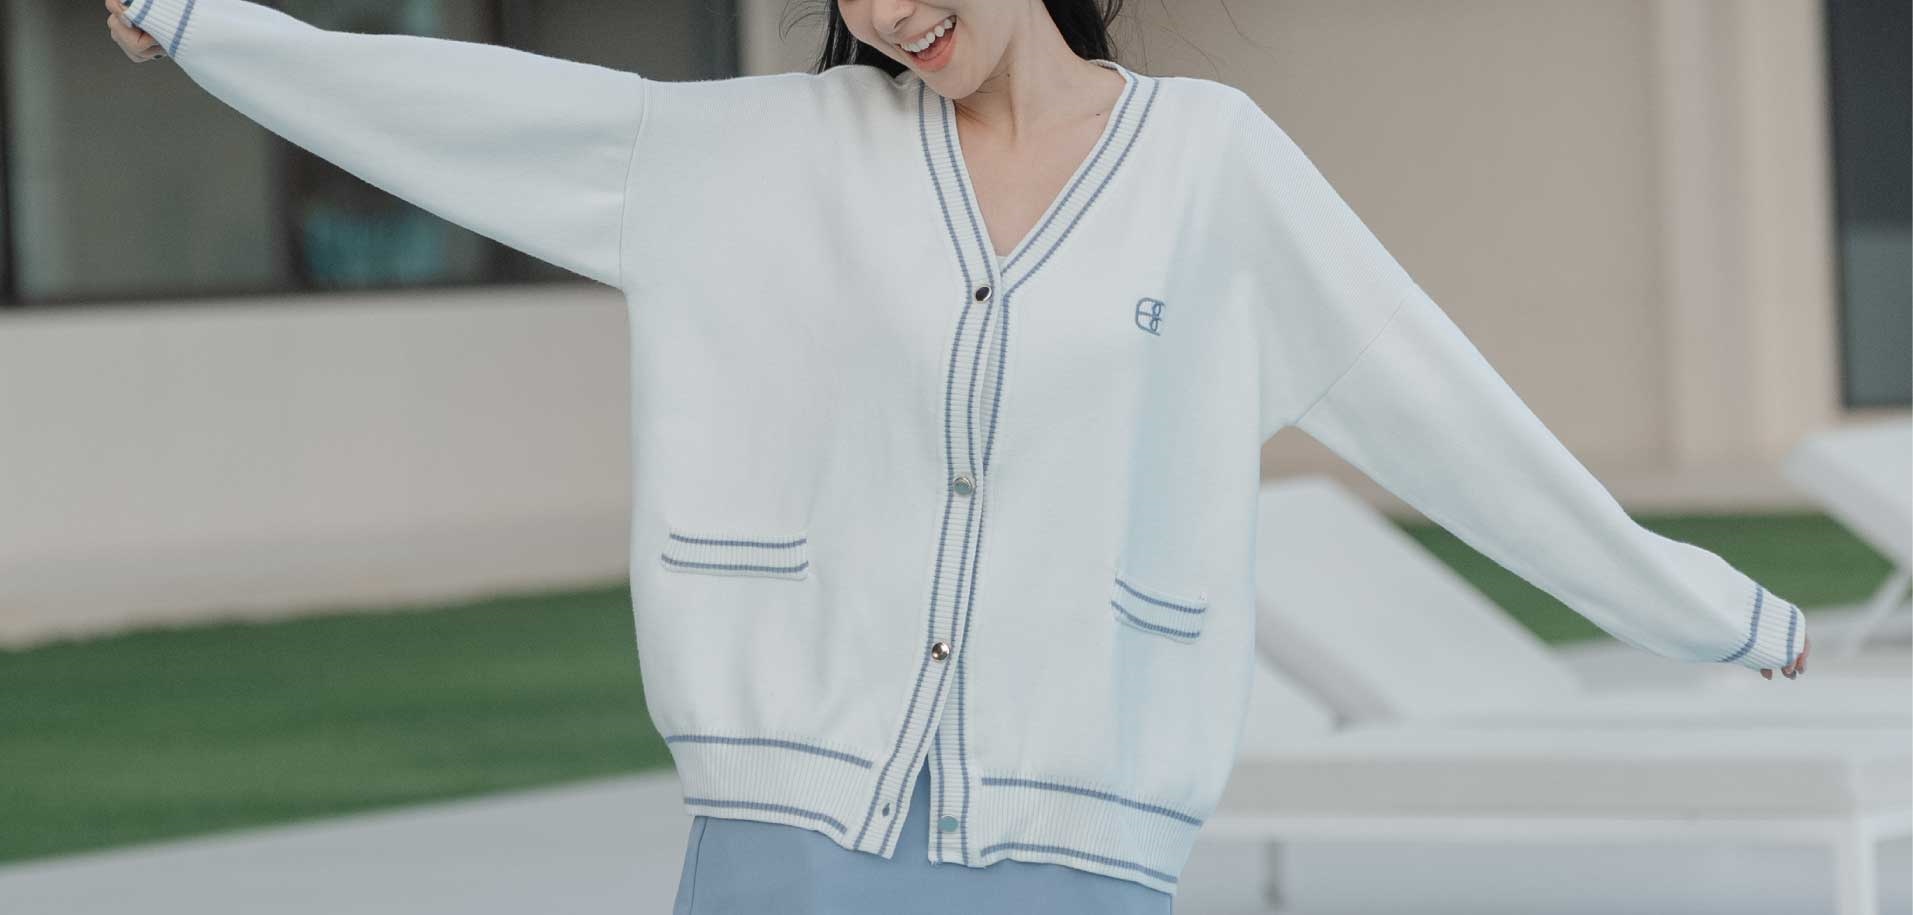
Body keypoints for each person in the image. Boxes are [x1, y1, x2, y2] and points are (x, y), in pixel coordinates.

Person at [107, 1, 1810, 912]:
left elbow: (1439, 409)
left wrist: (1706, 610)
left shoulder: (1211, 168)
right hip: (788, 826)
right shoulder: (750, 154)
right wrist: (210, 27)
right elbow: (464, 112)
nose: (882, 13)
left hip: (1080, 829)